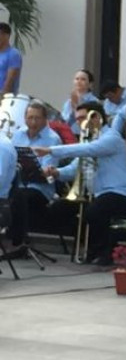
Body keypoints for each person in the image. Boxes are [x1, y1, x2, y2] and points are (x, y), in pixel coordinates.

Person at [36, 101, 126, 265]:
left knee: (93, 212)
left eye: (82, 118)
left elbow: (88, 150)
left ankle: (105, 252)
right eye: (77, 119)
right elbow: (76, 167)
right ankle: (88, 247)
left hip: (120, 193)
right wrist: (56, 172)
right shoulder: (90, 141)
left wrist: (51, 150)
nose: (79, 123)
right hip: (99, 194)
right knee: (59, 209)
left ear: (96, 118)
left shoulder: (111, 138)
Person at [4, 102, 63, 255]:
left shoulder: (53, 139)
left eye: (37, 118)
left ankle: (17, 243)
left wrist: (39, 170)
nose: (33, 122)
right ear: (24, 118)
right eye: (30, 118)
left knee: (20, 196)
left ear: (45, 120)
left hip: (41, 189)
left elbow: (48, 172)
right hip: (19, 183)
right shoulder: (18, 134)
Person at [60, 69, 98, 136]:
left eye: (83, 79)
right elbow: (64, 122)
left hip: (85, 135)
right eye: (76, 79)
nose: (79, 81)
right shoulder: (68, 102)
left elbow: (90, 123)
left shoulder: (94, 101)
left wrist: (76, 107)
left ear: (90, 84)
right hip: (68, 135)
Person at [0, 22, 22, 94]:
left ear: (6, 36)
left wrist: (2, 96)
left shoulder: (13, 54)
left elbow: (10, 80)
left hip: (5, 97)